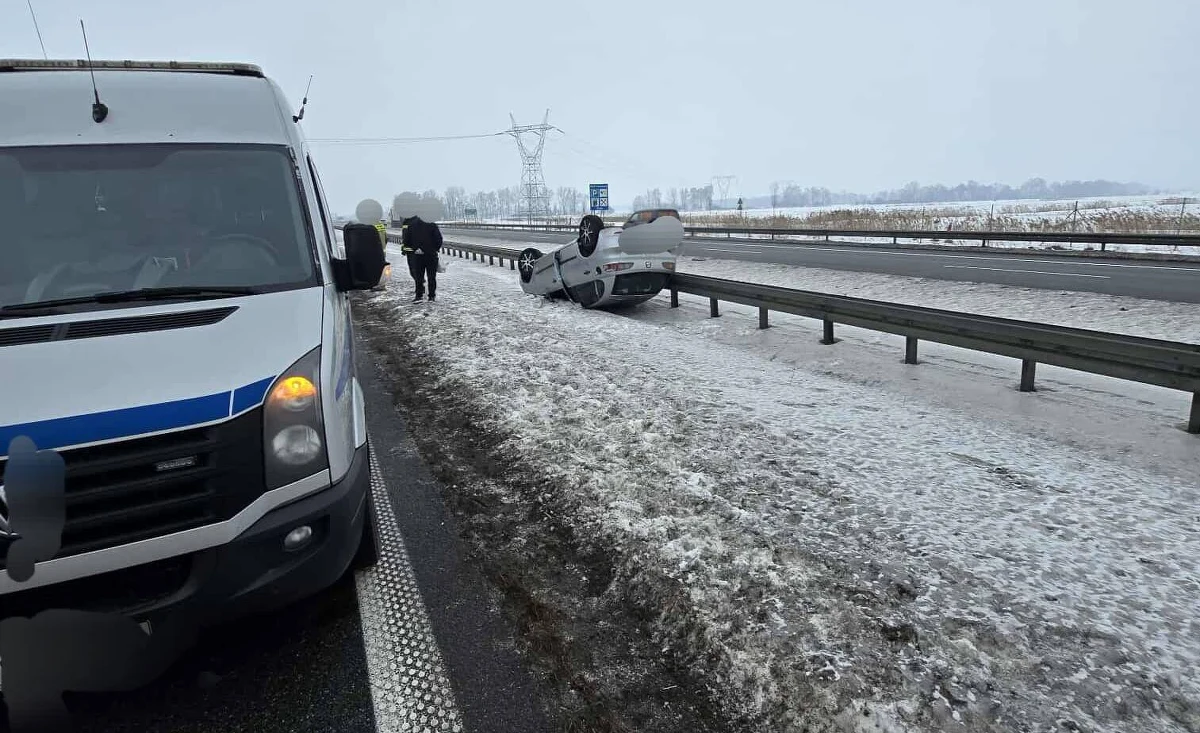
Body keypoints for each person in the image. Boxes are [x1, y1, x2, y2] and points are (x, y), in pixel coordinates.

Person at [400, 213, 443, 302]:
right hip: (431, 255)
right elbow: (439, 240)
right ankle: (431, 296)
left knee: (419, 276)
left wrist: (415, 248)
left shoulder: (412, 225)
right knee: (431, 276)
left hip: (417, 255)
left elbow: (407, 240)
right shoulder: (432, 225)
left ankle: (419, 295)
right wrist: (434, 249)